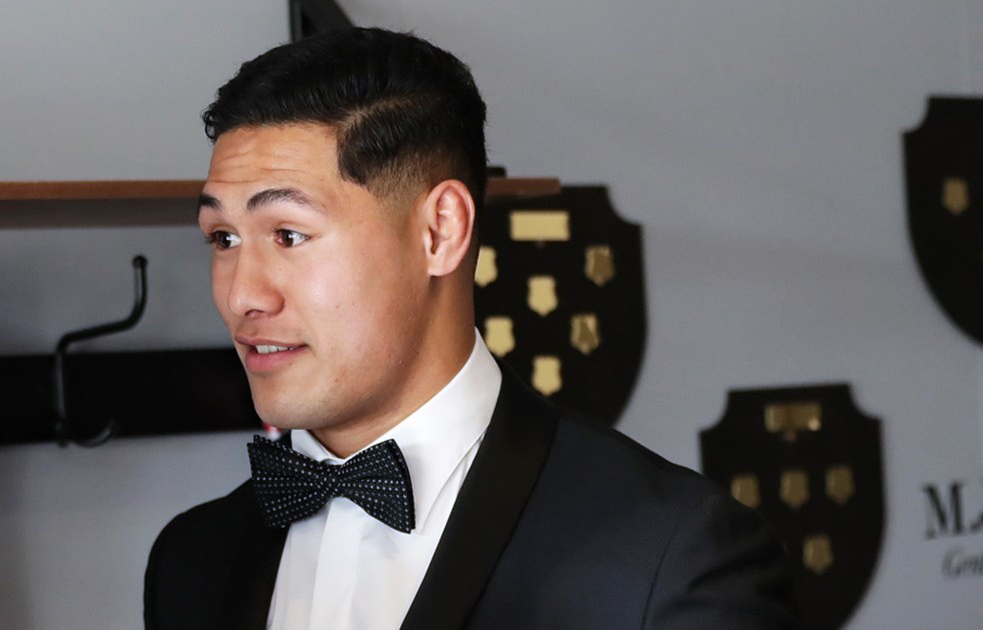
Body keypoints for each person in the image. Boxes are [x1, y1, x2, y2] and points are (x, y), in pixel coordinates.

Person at [144, 27, 795, 630]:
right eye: (223, 237)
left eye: (289, 235)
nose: (240, 295)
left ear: (440, 232)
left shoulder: (670, 553)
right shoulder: (191, 559)